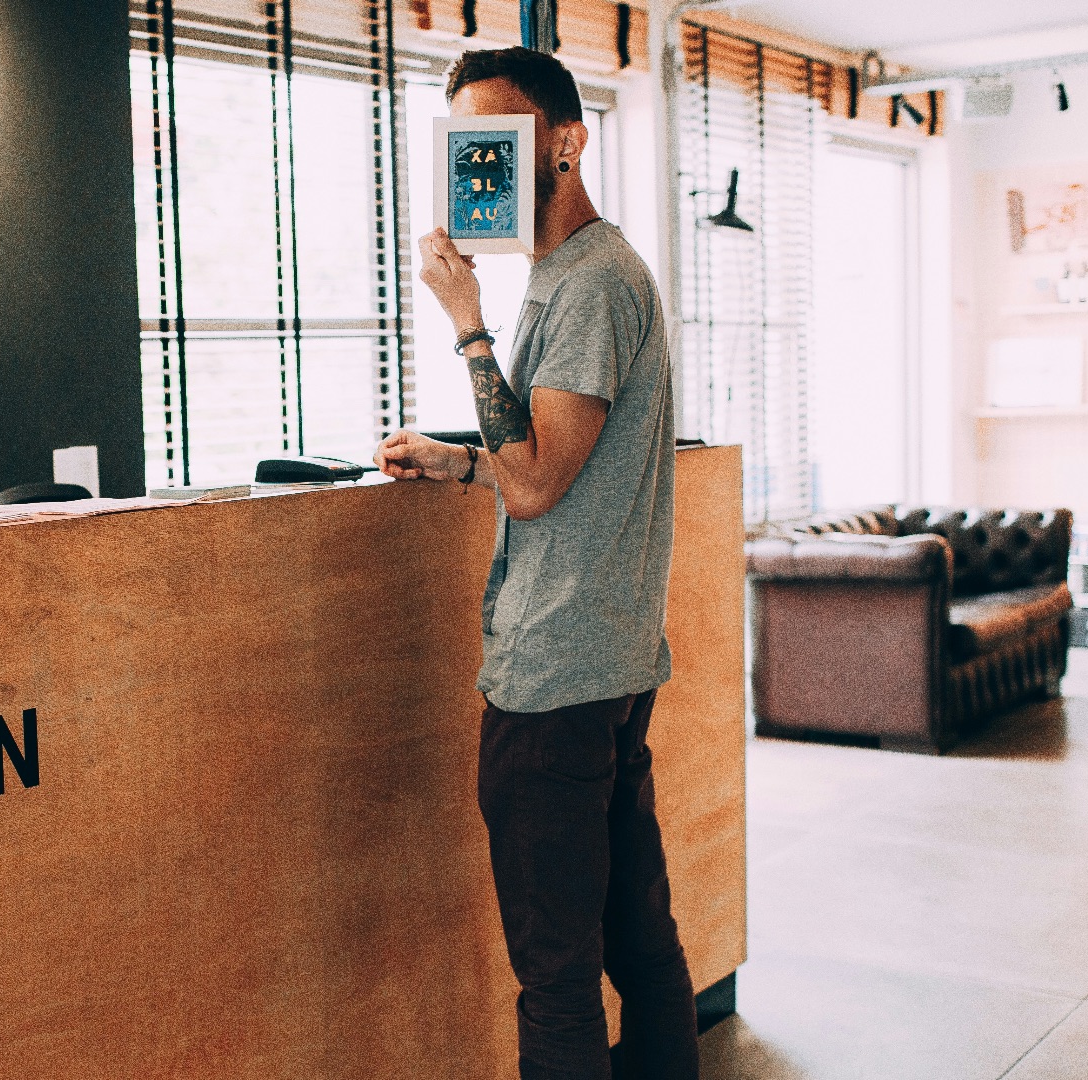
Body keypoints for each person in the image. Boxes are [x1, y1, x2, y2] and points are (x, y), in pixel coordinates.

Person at [373, 47, 697, 1080]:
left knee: (556, 978)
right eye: (471, 146)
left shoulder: (590, 282)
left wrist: (465, 322)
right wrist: (456, 461)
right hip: (602, 666)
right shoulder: (571, 275)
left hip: (554, 680)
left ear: (565, 141)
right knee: (638, 944)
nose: (484, 168)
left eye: (502, 140)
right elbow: (543, 463)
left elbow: (540, 485)